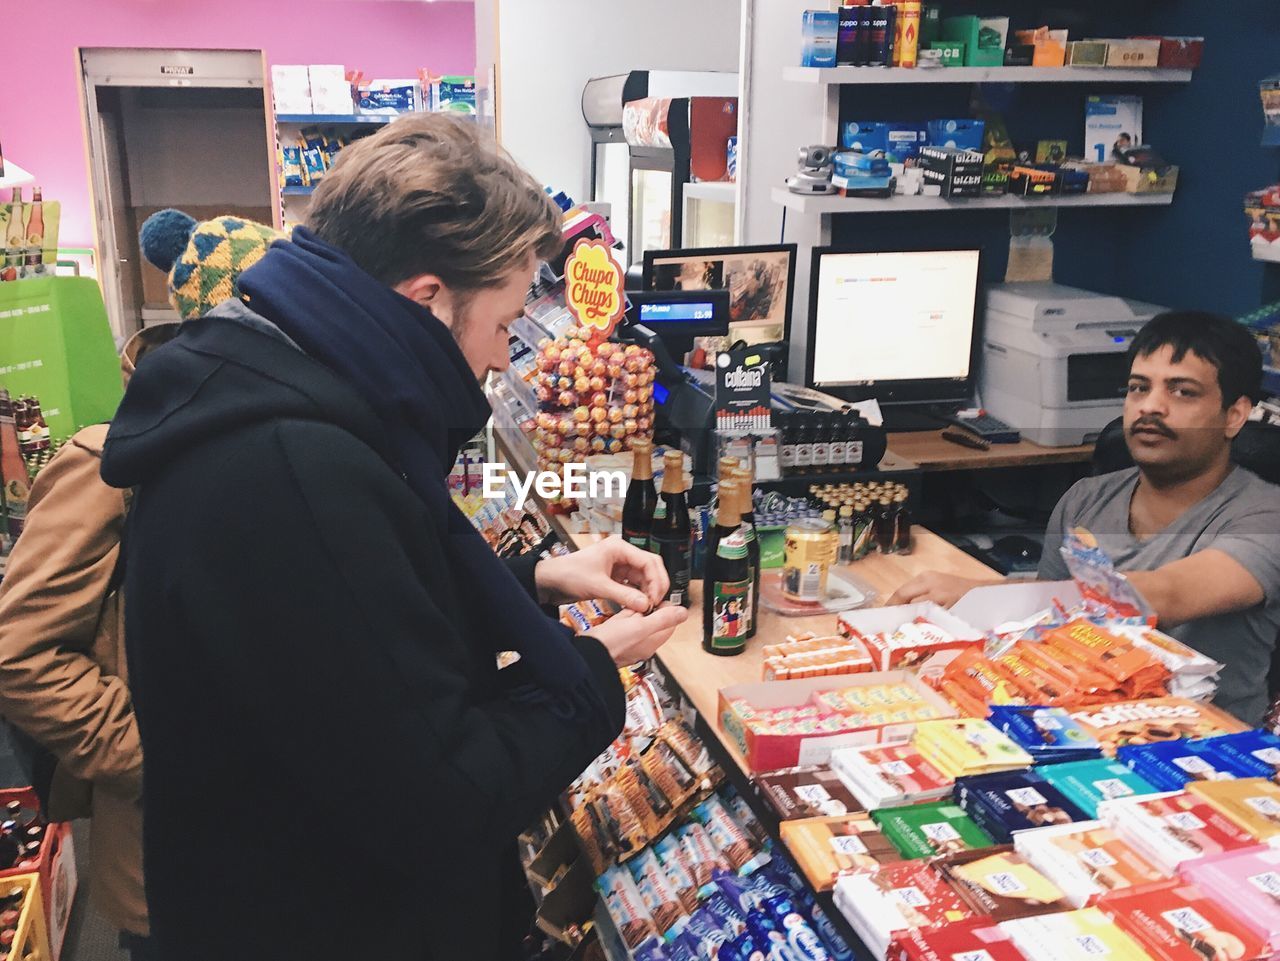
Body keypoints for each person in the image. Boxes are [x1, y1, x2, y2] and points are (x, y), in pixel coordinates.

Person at [99, 114, 688, 960]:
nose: (499, 361)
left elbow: (348, 640)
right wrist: (594, 670)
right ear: (425, 298)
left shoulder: (276, 377)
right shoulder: (295, 471)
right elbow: (448, 796)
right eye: (503, 325)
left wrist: (539, 580)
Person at [0, 209, 285, 961]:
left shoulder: (273, 445)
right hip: (174, 868)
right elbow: (20, 653)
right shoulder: (108, 461)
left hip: (278, 855)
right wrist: (158, 753)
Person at [891, 312, 1280, 723]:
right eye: (1138, 388)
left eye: (1182, 392)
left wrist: (987, 593)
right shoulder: (1086, 499)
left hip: (1207, 744)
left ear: (1235, 415)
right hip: (1081, 720)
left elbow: (1166, 595)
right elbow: (1046, 622)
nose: (1151, 406)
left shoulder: (1265, 515)